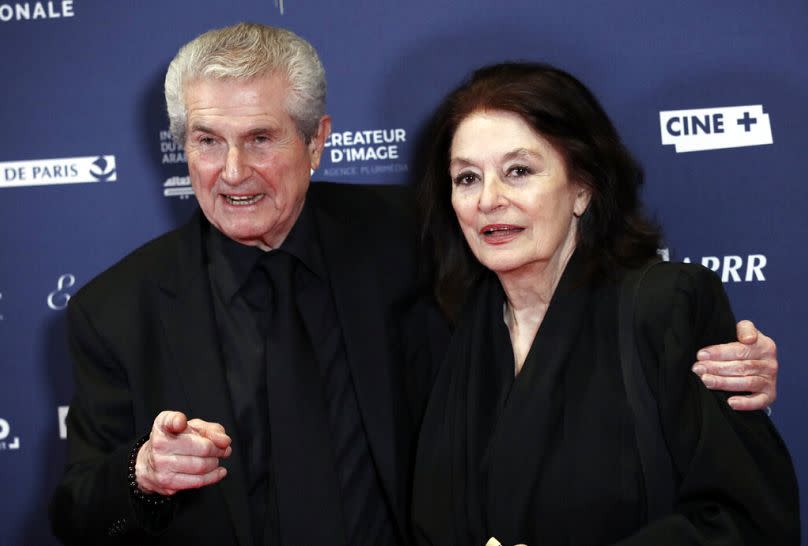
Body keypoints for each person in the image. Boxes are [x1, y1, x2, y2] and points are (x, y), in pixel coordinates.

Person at [49, 23, 781, 546]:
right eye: (207, 142)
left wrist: (720, 360)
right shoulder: (116, 310)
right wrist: (142, 476)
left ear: (318, 139)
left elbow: (581, 306)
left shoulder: (421, 239)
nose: (232, 172)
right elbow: (81, 514)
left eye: (262, 138)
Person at [412, 62, 799, 546]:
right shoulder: (451, 329)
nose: (489, 199)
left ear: (582, 188)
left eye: (519, 171)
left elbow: (747, 521)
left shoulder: (666, 307)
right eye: (467, 178)